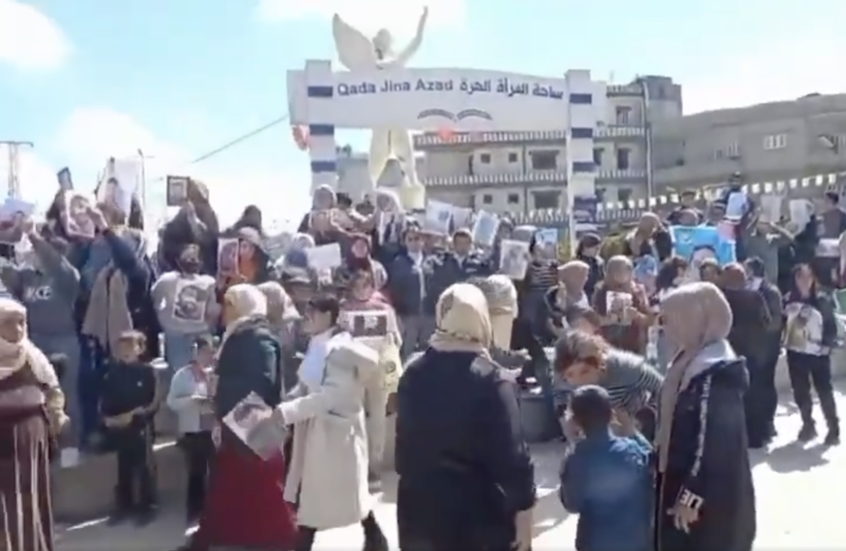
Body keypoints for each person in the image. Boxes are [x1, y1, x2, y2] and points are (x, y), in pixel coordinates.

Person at [396, 283, 536, 551]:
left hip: (419, 512)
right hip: (477, 515)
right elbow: (513, 457)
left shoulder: (413, 374)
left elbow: (404, 449)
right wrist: (524, 511)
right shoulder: (493, 380)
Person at [272, 294, 389, 551]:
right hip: (322, 436)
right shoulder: (320, 345)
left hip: (335, 437)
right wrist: (286, 402)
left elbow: (330, 396)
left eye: (311, 313)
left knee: (321, 503)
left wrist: (288, 411)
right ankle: (376, 542)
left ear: (327, 316)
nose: (306, 319)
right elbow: (308, 385)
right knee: (336, 500)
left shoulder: (339, 351)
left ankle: (374, 541)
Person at [184, 284, 296, 551]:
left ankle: (278, 541)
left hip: (254, 420)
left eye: (228, 304)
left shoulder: (258, 336)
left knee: (264, 486)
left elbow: (264, 381)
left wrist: (220, 385)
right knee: (228, 482)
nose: (223, 311)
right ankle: (215, 536)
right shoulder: (240, 334)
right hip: (236, 418)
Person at [656, 281, 755, 551]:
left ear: (694, 320)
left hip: (708, 493)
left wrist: (690, 496)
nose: (666, 327)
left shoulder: (714, 374)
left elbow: (712, 442)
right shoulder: (691, 355)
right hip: (685, 475)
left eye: (673, 319)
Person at [0, 218, 81, 442]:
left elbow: (54, 262)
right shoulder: (26, 277)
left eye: (38, 252)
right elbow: (4, 271)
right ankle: (44, 445)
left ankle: (70, 445)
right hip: (35, 343)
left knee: (66, 396)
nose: (33, 254)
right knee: (37, 397)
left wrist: (33, 236)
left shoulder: (67, 278)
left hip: (64, 343)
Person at [0, 298, 68, 551]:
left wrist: (57, 414)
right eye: (8, 323)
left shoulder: (30, 355)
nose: (17, 329)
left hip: (31, 445)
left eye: (21, 322)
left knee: (31, 505)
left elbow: (53, 389)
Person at [559, 385, 653, 551]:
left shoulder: (577, 459)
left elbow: (572, 504)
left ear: (574, 420)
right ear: (611, 415)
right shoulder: (633, 449)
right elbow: (653, 463)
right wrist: (632, 431)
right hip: (637, 541)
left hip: (596, 542)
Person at [340, 269, 402, 478]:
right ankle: (355, 461)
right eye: (357, 286)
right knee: (354, 415)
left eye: (365, 285)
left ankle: (374, 464)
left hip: (378, 369)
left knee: (378, 417)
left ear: (372, 286)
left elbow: (395, 338)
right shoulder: (345, 309)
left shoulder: (384, 309)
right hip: (354, 369)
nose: (361, 290)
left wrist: (388, 346)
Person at [554, 330, 663, 440]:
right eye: (570, 375)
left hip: (633, 425)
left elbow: (662, 388)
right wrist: (570, 430)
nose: (579, 381)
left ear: (599, 362)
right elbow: (561, 399)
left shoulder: (626, 368)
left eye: (585, 371)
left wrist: (644, 418)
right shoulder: (562, 379)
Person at [99, 330, 160, 525]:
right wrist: (111, 419)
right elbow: (106, 401)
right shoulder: (113, 373)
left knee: (144, 467)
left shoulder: (148, 371)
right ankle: (124, 506)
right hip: (120, 427)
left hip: (141, 426)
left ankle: (148, 506)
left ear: (140, 349)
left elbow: (153, 401)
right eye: (122, 347)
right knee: (123, 468)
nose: (125, 351)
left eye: (130, 347)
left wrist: (134, 414)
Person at [783, 263, 840, 445]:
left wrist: (827, 345)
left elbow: (831, 326)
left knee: (824, 390)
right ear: (795, 279)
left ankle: (833, 428)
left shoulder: (822, 300)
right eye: (801, 277)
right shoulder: (787, 300)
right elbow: (783, 325)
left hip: (818, 355)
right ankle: (808, 424)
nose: (805, 281)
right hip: (796, 353)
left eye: (809, 277)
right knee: (800, 391)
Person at [166, 335, 216, 523]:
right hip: (194, 431)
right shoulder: (183, 375)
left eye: (210, 352)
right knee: (196, 472)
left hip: (213, 429)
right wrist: (191, 400)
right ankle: (195, 511)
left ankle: (214, 510)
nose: (208, 356)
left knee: (217, 472)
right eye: (204, 352)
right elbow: (172, 402)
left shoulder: (214, 373)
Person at [152, 244, 218, 371]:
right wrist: (165, 320)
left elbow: (213, 308)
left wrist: (208, 326)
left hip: (200, 334)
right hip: (176, 335)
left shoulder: (209, 282)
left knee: (202, 374)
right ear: (178, 260)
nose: (191, 261)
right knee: (179, 373)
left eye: (194, 258)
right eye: (187, 257)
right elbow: (155, 298)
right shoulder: (167, 280)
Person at [592, 255, 651, 354]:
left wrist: (636, 316)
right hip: (609, 343)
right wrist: (609, 319)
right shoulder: (601, 291)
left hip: (634, 343)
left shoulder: (638, 290)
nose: (623, 273)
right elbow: (594, 318)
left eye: (627, 269)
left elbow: (648, 319)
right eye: (618, 270)